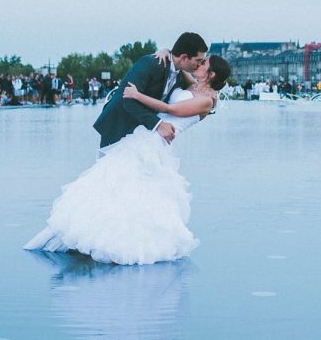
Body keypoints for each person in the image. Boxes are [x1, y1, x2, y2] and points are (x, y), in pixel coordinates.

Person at [24, 51, 231, 265]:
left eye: (204, 62)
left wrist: (137, 95)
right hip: (146, 135)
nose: (200, 62)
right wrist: (166, 52)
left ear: (212, 74)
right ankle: (98, 231)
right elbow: (178, 64)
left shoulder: (207, 100)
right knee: (116, 184)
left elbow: (172, 109)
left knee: (131, 189)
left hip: (157, 142)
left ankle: (120, 240)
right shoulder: (195, 84)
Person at [93, 32, 208, 149]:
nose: (199, 64)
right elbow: (127, 99)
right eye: (198, 60)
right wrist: (158, 124)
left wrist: (167, 51)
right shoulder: (150, 63)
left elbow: (198, 90)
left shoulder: (180, 75)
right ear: (184, 57)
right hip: (118, 126)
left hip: (141, 134)